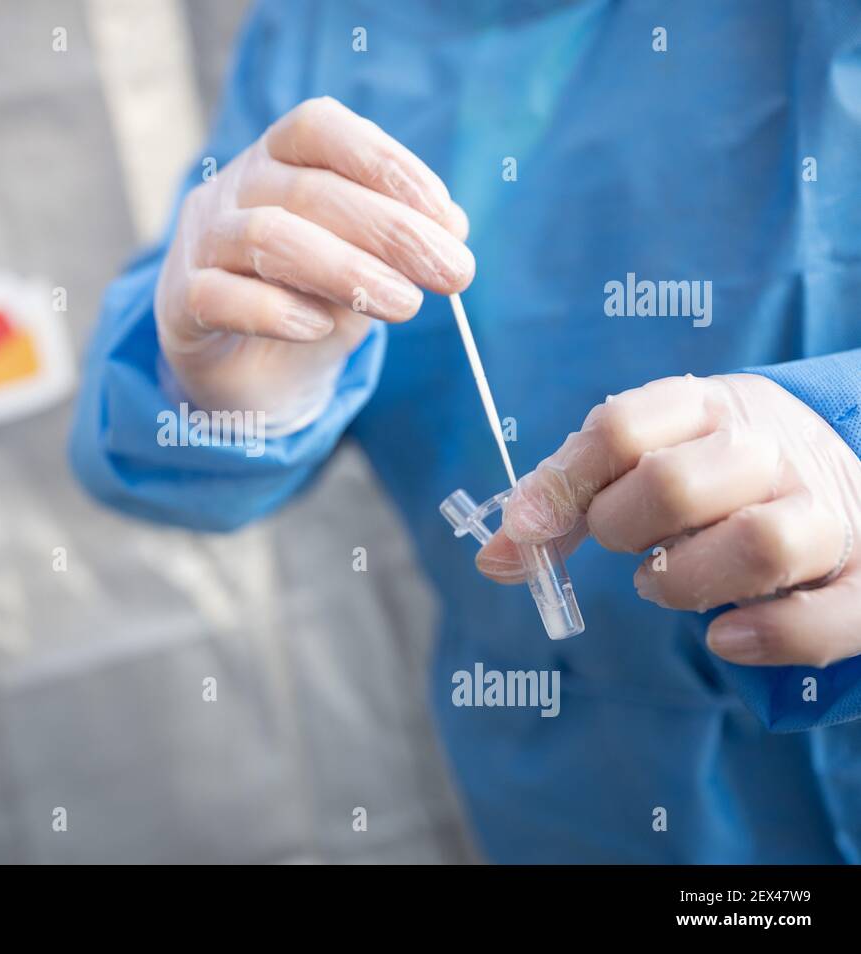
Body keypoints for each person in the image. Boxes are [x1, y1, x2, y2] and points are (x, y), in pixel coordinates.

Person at [70, 0, 861, 862]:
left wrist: (845, 424)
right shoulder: (332, 31)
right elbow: (141, 431)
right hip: (595, 803)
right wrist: (219, 390)